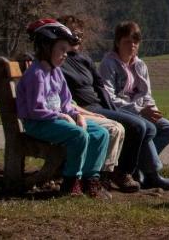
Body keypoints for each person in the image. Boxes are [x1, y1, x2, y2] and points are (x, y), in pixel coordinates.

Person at [56, 15, 158, 194]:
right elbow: (38, 58)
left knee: (150, 127)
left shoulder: (83, 59)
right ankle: (122, 173)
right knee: (137, 126)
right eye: (73, 33)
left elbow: (100, 86)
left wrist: (112, 108)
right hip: (83, 108)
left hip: (100, 106)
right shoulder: (59, 58)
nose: (77, 38)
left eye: (80, 34)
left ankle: (139, 171)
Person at [17, 18, 112, 198]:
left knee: (101, 134)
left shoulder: (57, 72)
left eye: (66, 50)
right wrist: (61, 117)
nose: (65, 54)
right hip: (38, 124)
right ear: (46, 46)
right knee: (78, 135)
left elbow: (66, 103)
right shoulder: (36, 74)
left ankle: (90, 179)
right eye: (61, 49)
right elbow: (35, 110)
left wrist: (76, 116)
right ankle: (70, 183)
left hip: (57, 121)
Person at [100, 21, 169, 191]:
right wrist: (139, 110)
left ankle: (138, 167)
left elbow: (146, 94)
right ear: (117, 43)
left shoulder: (140, 65)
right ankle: (153, 174)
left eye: (135, 41)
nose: (132, 45)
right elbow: (109, 99)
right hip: (120, 111)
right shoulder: (108, 64)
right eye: (127, 41)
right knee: (146, 127)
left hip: (141, 110)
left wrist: (152, 109)